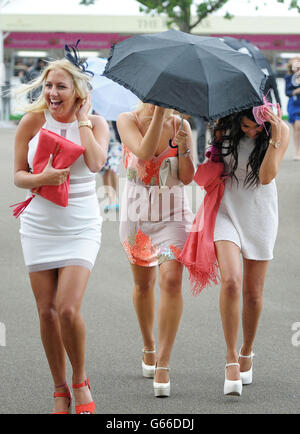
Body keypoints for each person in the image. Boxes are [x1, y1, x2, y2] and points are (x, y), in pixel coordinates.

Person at [13, 53, 109, 413]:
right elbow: (18, 175)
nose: (52, 92)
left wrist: (83, 122)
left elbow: (98, 163)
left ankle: (80, 380)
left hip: (81, 223)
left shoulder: (97, 123)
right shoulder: (32, 122)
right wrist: (43, 179)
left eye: (61, 86)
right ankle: (59, 388)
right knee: (47, 312)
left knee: (67, 309)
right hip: (38, 223)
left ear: (78, 90)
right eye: (49, 85)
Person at [209, 105, 289, 396]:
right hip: (227, 210)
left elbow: (266, 177)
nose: (251, 131)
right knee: (230, 280)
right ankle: (230, 358)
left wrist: (276, 135)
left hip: (260, 214)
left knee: (253, 293)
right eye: (245, 126)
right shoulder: (224, 127)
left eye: (257, 127)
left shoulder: (281, 131)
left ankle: (246, 351)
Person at [117, 103, 194, 397]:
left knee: (172, 281)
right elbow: (144, 153)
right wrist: (159, 115)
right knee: (143, 285)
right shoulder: (128, 119)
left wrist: (185, 145)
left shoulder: (180, 125)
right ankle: (148, 344)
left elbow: (187, 177)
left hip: (174, 215)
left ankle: (163, 361)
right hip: (137, 216)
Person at [100, 120, 122, 213]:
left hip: (115, 143)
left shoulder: (115, 114)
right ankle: (109, 199)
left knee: (113, 168)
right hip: (102, 144)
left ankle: (115, 197)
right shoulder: (96, 112)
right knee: (105, 171)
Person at [285, 57, 300, 160]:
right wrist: (296, 91)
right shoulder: (289, 77)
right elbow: (287, 92)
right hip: (294, 104)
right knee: (297, 128)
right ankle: (297, 152)